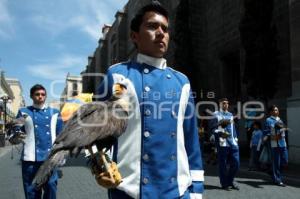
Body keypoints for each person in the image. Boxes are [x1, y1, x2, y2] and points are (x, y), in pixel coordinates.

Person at [91, 2, 204, 198]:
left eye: (165, 29)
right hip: (128, 190)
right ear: (134, 36)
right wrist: (97, 162)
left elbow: (191, 140)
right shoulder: (117, 75)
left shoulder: (182, 82)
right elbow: (92, 128)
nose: (161, 33)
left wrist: (196, 191)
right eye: (152, 26)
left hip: (178, 190)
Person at [11, 84, 63, 199]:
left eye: (43, 94)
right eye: (37, 94)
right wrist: (16, 133)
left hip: (50, 158)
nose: (40, 96)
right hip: (30, 159)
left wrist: (61, 155)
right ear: (31, 96)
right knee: (31, 191)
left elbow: (61, 135)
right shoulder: (23, 112)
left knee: (51, 187)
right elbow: (16, 129)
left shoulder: (55, 113)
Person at [211, 98, 240, 191]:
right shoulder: (216, 114)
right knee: (222, 164)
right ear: (220, 104)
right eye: (224, 103)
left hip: (233, 142)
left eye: (227, 103)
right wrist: (219, 132)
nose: (226, 105)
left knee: (236, 163)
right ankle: (225, 184)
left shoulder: (231, 115)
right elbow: (212, 129)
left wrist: (236, 138)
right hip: (222, 142)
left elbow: (233, 128)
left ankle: (230, 180)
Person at [263, 105, 288, 187]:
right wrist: (270, 134)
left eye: (277, 110)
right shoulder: (268, 120)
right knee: (277, 162)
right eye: (274, 110)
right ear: (271, 112)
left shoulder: (280, 120)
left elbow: (283, 131)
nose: (276, 111)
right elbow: (266, 132)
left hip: (283, 143)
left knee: (285, 161)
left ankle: (271, 170)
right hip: (274, 144)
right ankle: (278, 180)